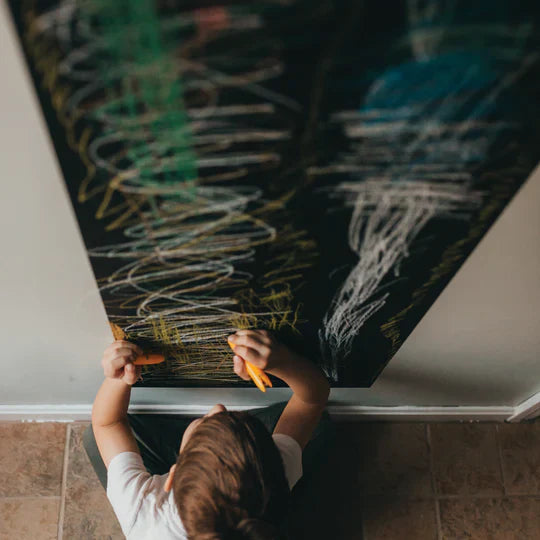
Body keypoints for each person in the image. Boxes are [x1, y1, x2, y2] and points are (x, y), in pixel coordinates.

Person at [84, 329, 332, 539]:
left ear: (172, 477)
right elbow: (312, 399)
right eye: (233, 419)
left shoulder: (143, 513)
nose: (218, 407)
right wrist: (284, 362)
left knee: (94, 440)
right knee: (319, 424)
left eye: (205, 422)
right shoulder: (267, 478)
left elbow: (108, 423)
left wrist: (118, 379)